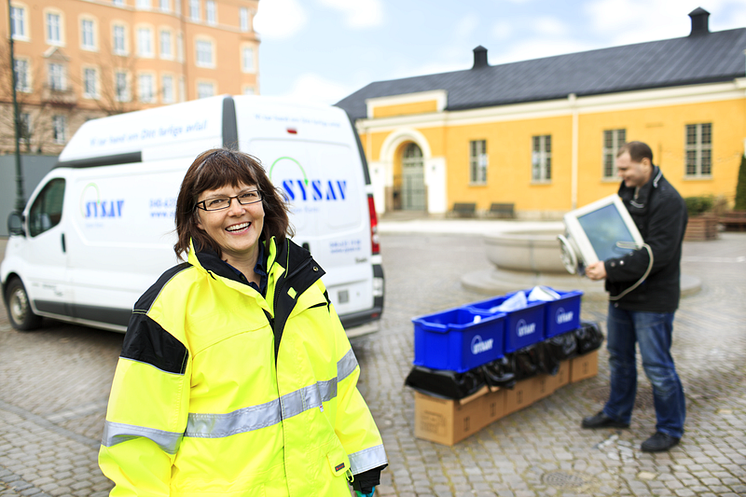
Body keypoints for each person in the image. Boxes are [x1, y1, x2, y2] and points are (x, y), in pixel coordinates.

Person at [99, 148, 387, 496]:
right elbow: (139, 437)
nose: (237, 210)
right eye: (217, 201)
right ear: (196, 219)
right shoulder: (169, 307)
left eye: (247, 195)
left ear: (264, 204)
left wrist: (364, 462)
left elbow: (341, 385)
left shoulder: (304, 283)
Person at [581, 141, 688, 453]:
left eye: (626, 168)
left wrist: (609, 267)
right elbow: (614, 235)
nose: (622, 175)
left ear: (645, 163)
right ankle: (616, 413)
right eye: (619, 169)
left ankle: (670, 428)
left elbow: (659, 254)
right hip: (622, 294)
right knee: (620, 359)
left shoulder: (669, 201)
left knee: (657, 366)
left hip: (654, 300)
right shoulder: (627, 191)